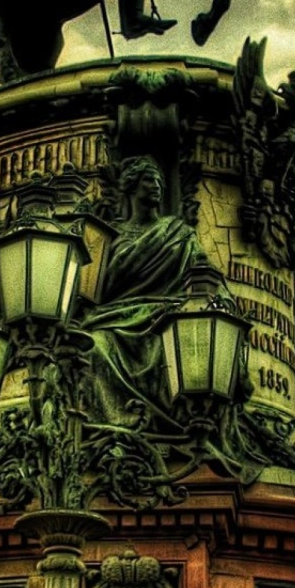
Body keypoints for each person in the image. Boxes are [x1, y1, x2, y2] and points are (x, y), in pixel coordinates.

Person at [81, 156, 215, 426]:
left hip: (165, 319)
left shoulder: (179, 233)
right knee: (93, 346)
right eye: (148, 180)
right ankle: (119, 422)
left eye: (158, 181)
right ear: (131, 187)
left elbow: (205, 277)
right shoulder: (111, 235)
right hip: (114, 319)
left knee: (178, 349)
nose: (156, 186)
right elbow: (96, 288)